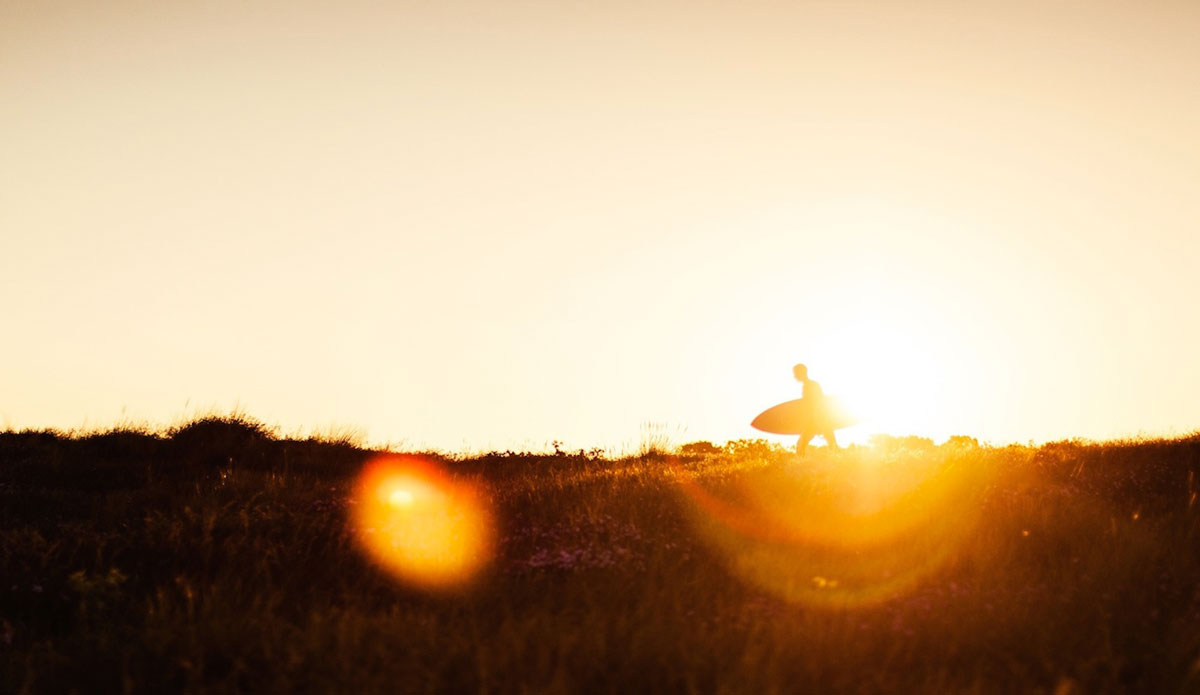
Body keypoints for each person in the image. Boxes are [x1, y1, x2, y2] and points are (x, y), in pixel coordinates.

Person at [793, 363, 839, 456]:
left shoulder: (811, 385)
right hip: (817, 419)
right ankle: (840, 462)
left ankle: (841, 464)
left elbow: (817, 401)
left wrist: (817, 418)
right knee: (831, 443)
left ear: (802, 372)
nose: (795, 376)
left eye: (796, 373)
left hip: (819, 418)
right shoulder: (807, 385)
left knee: (801, 444)